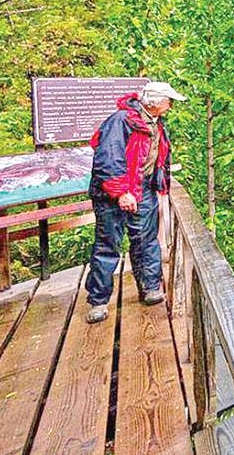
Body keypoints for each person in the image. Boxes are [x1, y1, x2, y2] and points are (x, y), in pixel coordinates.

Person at [84, 81, 186, 324]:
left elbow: (154, 157)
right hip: (113, 194)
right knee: (108, 245)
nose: (170, 105)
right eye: (168, 100)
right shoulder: (121, 121)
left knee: (146, 240)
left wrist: (160, 180)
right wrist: (121, 193)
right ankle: (98, 301)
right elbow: (108, 160)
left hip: (145, 189)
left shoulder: (155, 123)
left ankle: (150, 288)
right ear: (155, 102)